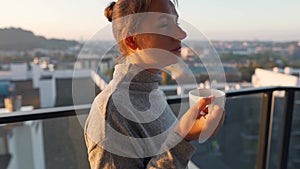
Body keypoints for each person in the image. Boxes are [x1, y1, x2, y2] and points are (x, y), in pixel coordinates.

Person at [84, 0, 225, 168]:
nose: (181, 34)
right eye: (164, 25)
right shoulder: (111, 113)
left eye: (176, 23)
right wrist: (182, 137)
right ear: (132, 41)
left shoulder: (151, 92)